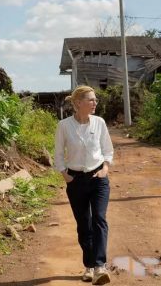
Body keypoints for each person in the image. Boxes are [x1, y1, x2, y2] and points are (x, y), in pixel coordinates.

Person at [54, 85, 113, 285]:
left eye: (95, 99)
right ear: (78, 103)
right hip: (76, 180)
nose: (95, 103)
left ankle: (99, 266)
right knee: (84, 225)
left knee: (99, 219)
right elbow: (59, 154)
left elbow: (108, 149)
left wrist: (105, 168)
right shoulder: (64, 125)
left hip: (98, 178)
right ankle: (88, 266)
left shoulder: (99, 123)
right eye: (91, 100)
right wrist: (65, 175)